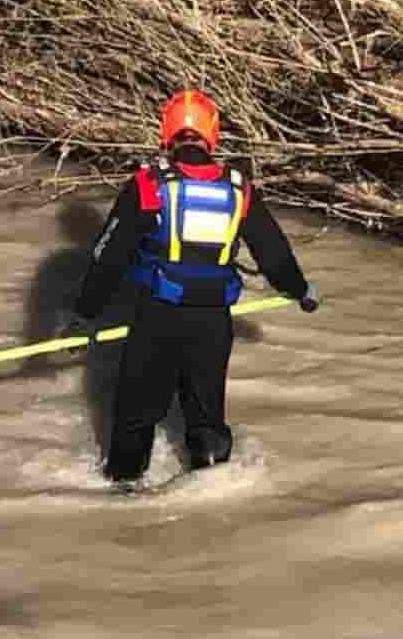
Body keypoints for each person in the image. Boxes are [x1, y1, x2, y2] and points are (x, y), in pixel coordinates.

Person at [60, 89, 320, 486]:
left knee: (136, 412)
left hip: (157, 316)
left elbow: (108, 256)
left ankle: (124, 493)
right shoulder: (240, 188)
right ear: (212, 135)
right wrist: (300, 291)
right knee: (205, 414)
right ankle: (212, 485)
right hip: (213, 323)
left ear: (167, 135)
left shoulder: (148, 185)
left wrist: (84, 314)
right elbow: (274, 253)